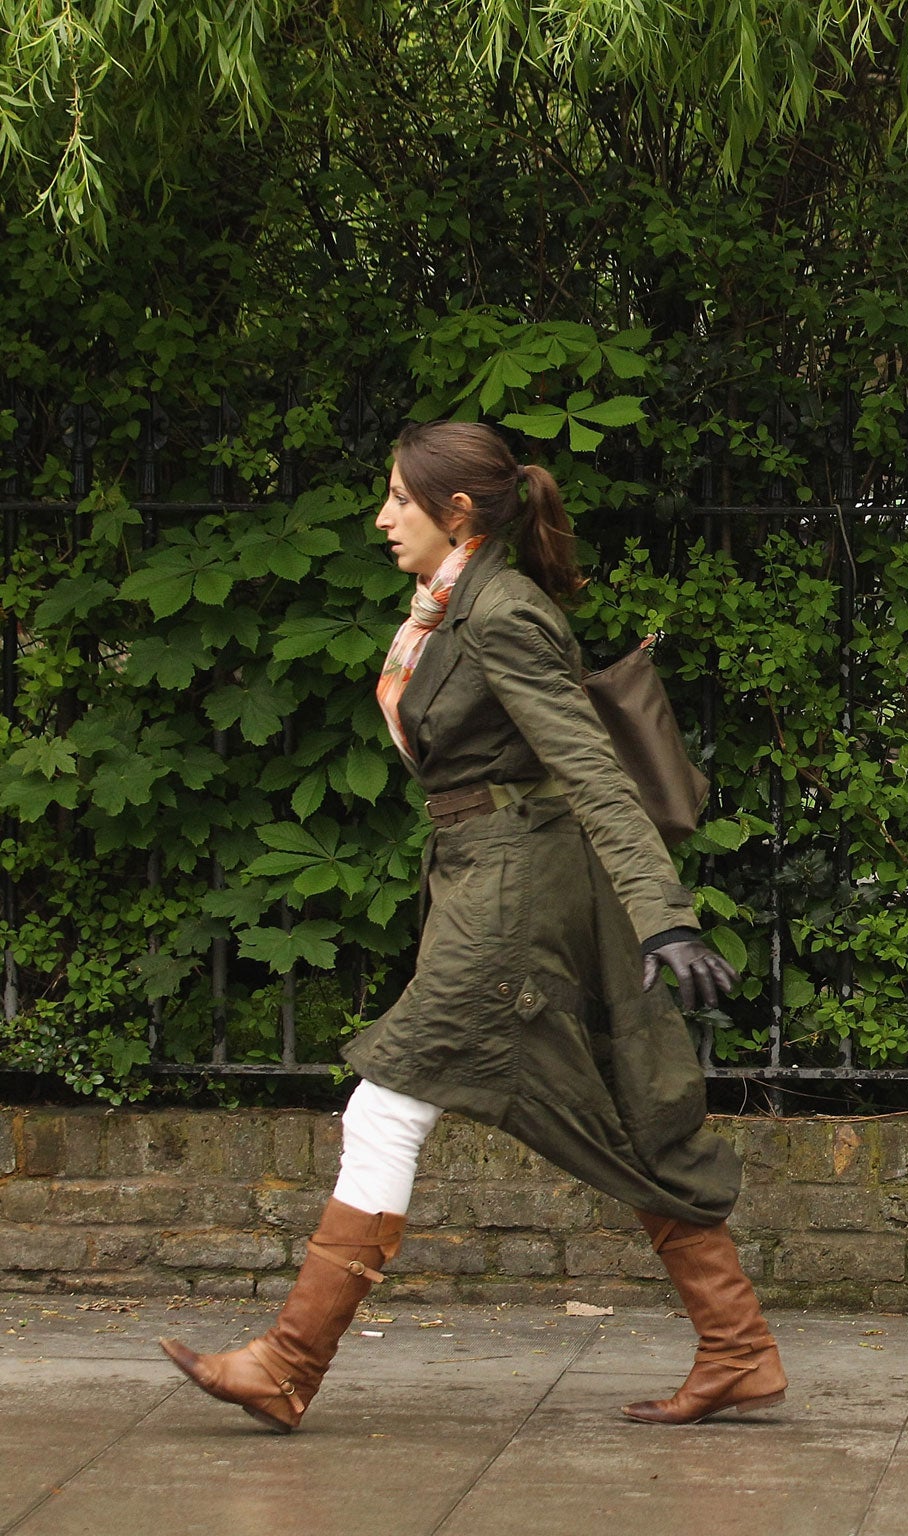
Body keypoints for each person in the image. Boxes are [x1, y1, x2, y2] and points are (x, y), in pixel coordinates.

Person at [159, 421, 783, 1433]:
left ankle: (285, 1364)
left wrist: (664, 915)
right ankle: (738, 1347)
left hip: (514, 892)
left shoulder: (501, 614)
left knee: (385, 1107)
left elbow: (588, 768)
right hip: (488, 877)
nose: (379, 518)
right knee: (624, 1109)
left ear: (456, 513)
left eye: (397, 500)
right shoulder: (453, 608)